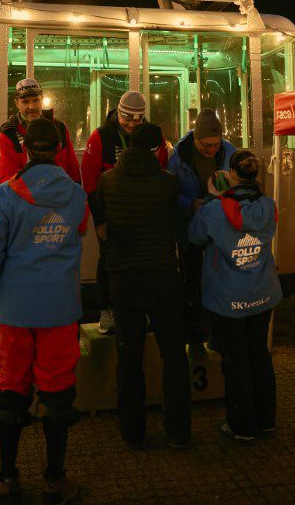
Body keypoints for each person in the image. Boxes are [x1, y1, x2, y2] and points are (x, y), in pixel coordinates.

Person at [0, 118, 88, 505]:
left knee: (11, 392)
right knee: (57, 395)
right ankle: (54, 480)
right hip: (59, 309)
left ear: (26, 150)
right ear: (59, 150)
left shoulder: (7, 194)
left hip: (15, 311)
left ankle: (7, 479)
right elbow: (81, 231)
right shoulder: (75, 195)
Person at [95, 123, 191, 449]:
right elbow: (171, 222)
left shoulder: (108, 181)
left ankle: (132, 432)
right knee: (174, 355)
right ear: (155, 150)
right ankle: (178, 430)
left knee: (130, 357)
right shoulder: (168, 184)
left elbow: (104, 224)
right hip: (162, 276)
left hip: (123, 278)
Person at [188, 150, 282, 443]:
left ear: (231, 174)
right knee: (259, 354)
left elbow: (195, 236)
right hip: (263, 292)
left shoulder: (215, 210)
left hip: (228, 298)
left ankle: (241, 425)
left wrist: (213, 198)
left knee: (236, 359)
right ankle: (266, 421)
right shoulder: (268, 205)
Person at [82, 90, 168, 334]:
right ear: (117, 113)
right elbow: (90, 183)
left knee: (144, 263)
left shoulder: (153, 135)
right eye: (126, 118)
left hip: (145, 214)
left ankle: (144, 311)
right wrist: (100, 221)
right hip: (112, 214)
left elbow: (163, 172)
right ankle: (107, 310)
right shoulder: (100, 137)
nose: (131, 124)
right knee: (110, 261)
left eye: (137, 119)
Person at [168, 108, 237, 357]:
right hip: (191, 229)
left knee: (221, 281)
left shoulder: (230, 152)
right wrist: (191, 204)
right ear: (195, 139)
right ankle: (194, 334)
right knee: (192, 281)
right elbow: (170, 194)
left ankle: (218, 333)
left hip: (221, 230)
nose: (212, 150)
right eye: (206, 145)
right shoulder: (178, 156)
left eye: (216, 145)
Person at [0, 77, 81, 184]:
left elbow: (73, 171)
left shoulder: (59, 128)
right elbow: (7, 179)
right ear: (17, 103)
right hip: (25, 199)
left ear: (42, 99)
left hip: (59, 198)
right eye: (25, 102)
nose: (31, 107)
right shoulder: (8, 135)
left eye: (36, 100)